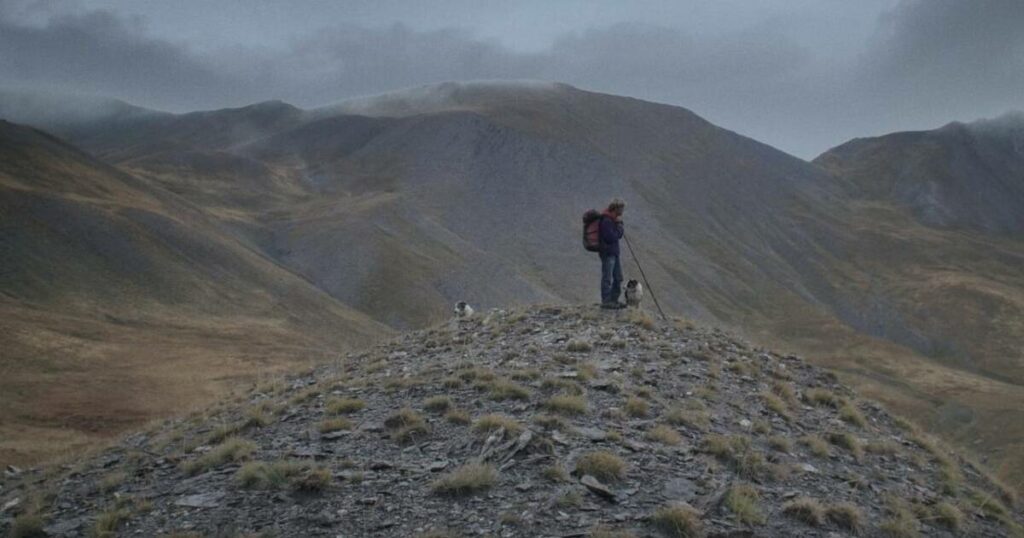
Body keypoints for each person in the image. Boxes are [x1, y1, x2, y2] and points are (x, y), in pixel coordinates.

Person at [598, 198, 626, 309]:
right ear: (616, 208)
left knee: (618, 277)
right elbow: (611, 237)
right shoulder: (607, 221)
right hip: (608, 253)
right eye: (622, 208)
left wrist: (618, 225)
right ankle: (606, 301)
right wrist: (620, 228)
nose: (623, 211)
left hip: (614, 253)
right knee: (607, 277)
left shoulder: (611, 220)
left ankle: (614, 300)